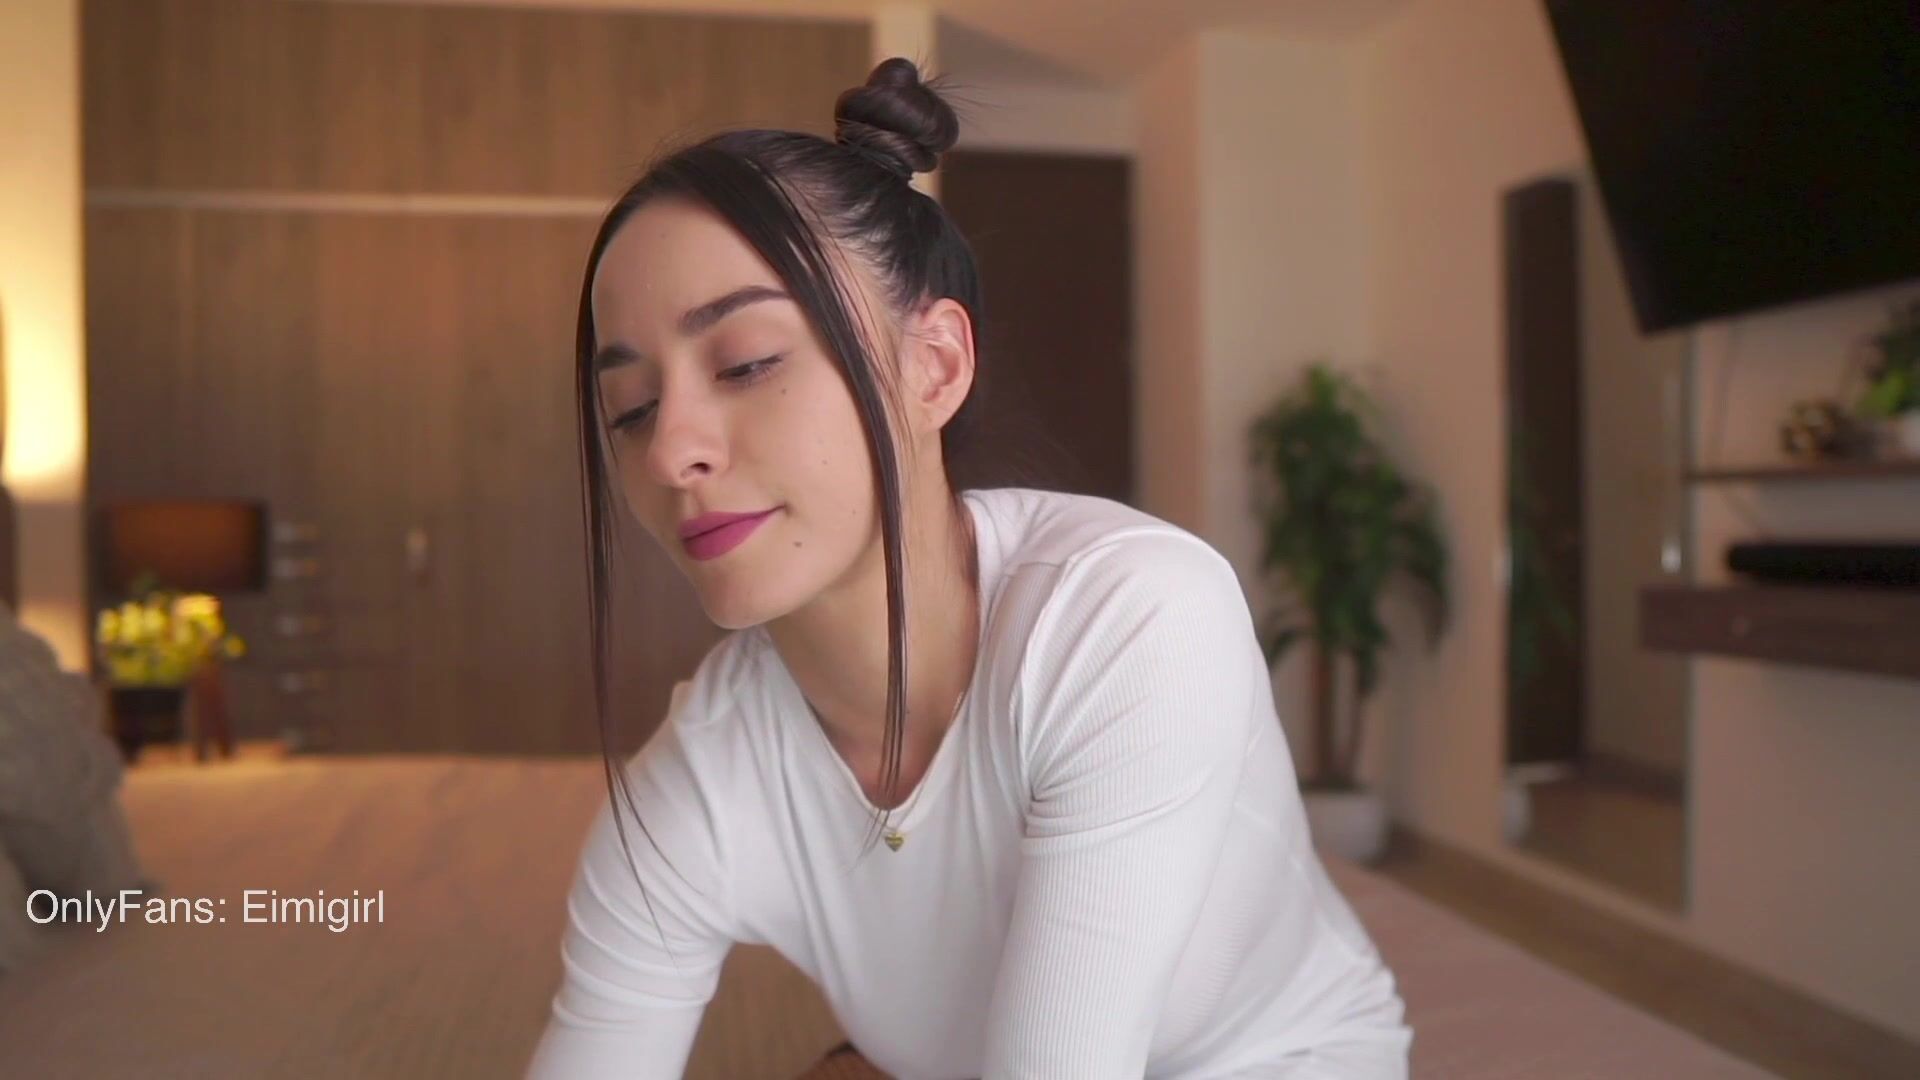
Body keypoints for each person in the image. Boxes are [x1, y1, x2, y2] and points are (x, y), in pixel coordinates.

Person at [527, 57, 1413, 1080]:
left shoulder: (1132, 618)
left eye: (747, 363)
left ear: (935, 367)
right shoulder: (703, 778)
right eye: (630, 409)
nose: (671, 450)